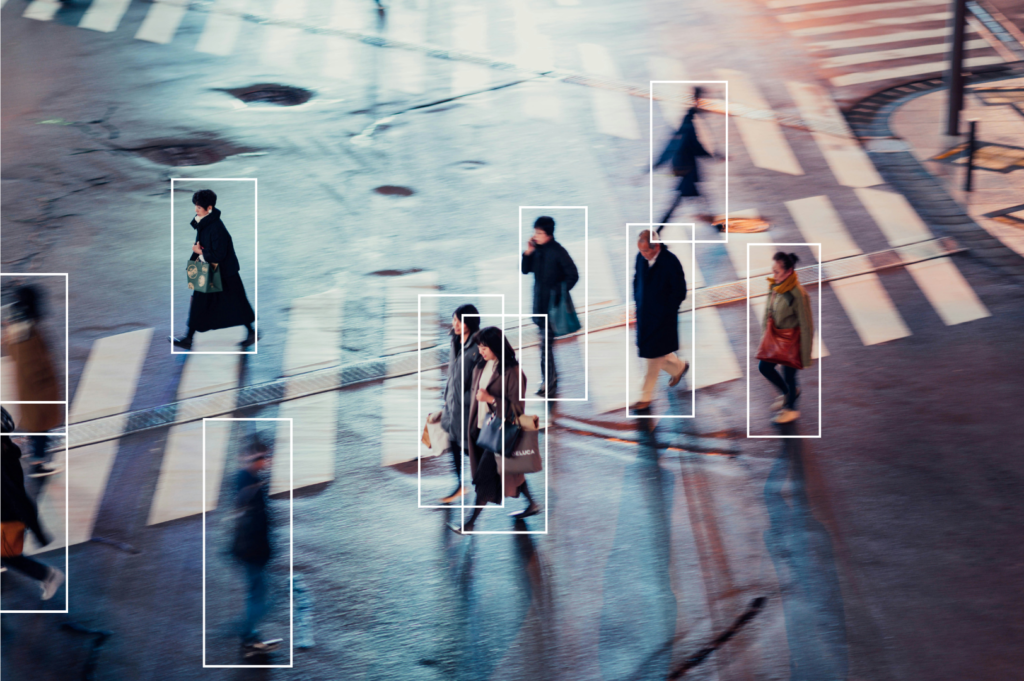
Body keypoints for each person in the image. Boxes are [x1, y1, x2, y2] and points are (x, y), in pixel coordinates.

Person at [449, 327, 540, 534]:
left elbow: (517, 410)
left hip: (500, 432)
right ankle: (533, 503)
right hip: (481, 429)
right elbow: (473, 394)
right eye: (479, 346)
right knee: (511, 472)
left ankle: (470, 523)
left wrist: (490, 399)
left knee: (484, 478)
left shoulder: (514, 373)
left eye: (484, 346)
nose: (480, 350)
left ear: (496, 346)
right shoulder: (483, 366)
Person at [173, 189, 257, 350]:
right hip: (210, 268)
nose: (195, 210)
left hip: (224, 272)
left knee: (237, 303)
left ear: (209, 208)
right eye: (196, 206)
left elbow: (219, 254)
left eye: (198, 207)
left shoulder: (216, 227)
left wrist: (199, 252)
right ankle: (189, 338)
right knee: (202, 301)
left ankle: (251, 332)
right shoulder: (206, 222)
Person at [1, 407, 64, 600]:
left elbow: (14, 496)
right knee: (7, 555)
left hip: (6, 517)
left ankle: (48, 575)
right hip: (8, 514)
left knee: (10, 557)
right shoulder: (6, 449)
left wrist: (37, 530)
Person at [2, 285, 63, 478]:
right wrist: (47, 382)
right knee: (40, 425)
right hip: (37, 389)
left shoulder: (19, 327)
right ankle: (37, 463)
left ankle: (37, 452)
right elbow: (34, 365)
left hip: (31, 387)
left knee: (39, 425)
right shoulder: (27, 334)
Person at [230, 440, 283, 657]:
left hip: (251, 551)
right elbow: (255, 524)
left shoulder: (248, 480)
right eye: (264, 457)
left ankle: (247, 634)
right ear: (255, 460)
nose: (268, 461)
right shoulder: (249, 485)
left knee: (259, 594)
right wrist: (265, 551)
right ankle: (247, 637)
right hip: (253, 552)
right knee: (261, 596)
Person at [521, 216, 579, 396]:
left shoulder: (558, 251)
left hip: (552, 308)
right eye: (535, 232)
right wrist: (528, 252)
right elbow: (525, 270)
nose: (535, 235)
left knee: (545, 346)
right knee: (545, 347)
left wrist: (558, 291)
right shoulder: (537, 250)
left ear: (548, 234)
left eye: (539, 233)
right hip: (539, 305)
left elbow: (573, 275)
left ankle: (549, 383)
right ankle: (550, 380)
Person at [632, 229, 689, 412]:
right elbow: (636, 280)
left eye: (646, 251)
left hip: (662, 319)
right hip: (645, 315)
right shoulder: (641, 259)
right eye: (641, 251)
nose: (643, 255)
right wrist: (638, 300)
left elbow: (680, 291)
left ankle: (645, 396)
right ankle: (678, 367)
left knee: (652, 357)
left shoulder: (670, 262)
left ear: (656, 246)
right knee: (655, 352)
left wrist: (667, 310)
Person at [758, 252, 814, 424]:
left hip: (792, 341)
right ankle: (788, 393)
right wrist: (765, 335)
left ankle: (791, 410)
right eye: (773, 271)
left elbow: (807, 325)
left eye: (777, 272)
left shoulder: (798, 295)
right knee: (764, 367)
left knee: (789, 376)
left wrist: (804, 356)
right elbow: (769, 310)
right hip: (776, 338)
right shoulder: (776, 286)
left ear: (788, 272)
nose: (773, 275)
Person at [439, 304, 482, 504]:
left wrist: (463, 399)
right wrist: (446, 399)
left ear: (470, 322)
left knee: (487, 459)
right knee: (454, 445)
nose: (455, 324)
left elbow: (482, 382)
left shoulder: (478, 347)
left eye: (459, 320)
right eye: (454, 319)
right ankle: (459, 485)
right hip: (454, 409)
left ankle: (527, 496)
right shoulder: (455, 340)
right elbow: (452, 374)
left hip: (469, 412)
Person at [654, 87, 714, 230]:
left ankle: (658, 230)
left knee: (682, 200)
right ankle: (658, 230)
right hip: (686, 169)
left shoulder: (686, 123)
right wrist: (714, 156)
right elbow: (695, 146)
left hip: (683, 169)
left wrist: (656, 164)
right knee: (680, 200)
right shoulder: (688, 125)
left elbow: (671, 147)